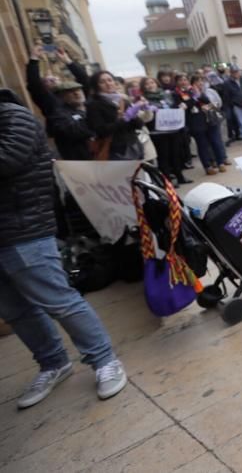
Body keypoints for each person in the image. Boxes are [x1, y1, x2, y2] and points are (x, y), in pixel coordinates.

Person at [0, 89, 127, 409]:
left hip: (23, 229)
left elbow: (8, 160)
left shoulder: (12, 116)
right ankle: (53, 363)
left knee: (60, 301)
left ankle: (104, 360)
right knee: (15, 310)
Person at [86, 71, 148, 160]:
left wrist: (136, 115)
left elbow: (139, 125)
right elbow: (101, 130)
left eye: (110, 80)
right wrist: (124, 119)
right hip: (116, 149)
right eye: (102, 82)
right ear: (96, 86)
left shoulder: (123, 100)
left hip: (134, 144)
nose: (108, 84)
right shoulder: (94, 105)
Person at [139, 77, 190, 184]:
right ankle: (168, 181)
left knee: (176, 154)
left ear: (156, 83)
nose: (150, 85)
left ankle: (180, 176)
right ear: (143, 87)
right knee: (164, 157)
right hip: (158, 132)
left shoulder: (167, 95)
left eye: (152, 82)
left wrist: (181, 107)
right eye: (147, 84)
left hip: (173, 129)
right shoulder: (144, 99)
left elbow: (174, 106)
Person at [179, 74, 229, 176]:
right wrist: (195, 98)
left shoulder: (206, 91)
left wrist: (200, 96)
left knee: (216, 142)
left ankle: (220, 162)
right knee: (203, 145)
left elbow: (210, 102)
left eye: (202, 81)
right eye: (197, 81)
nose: (200, 83)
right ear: (192, 83)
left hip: (211, 119)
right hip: (197, 122)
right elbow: (186, 106)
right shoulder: (185, 93)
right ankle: (207, 166)